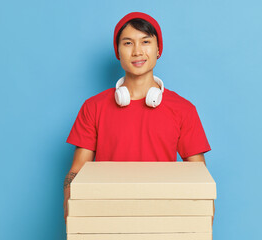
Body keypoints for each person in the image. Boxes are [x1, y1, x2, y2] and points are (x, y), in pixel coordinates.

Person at [63, 12, 211, 223]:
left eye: (146, 42)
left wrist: (200, 227)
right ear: (118, 51)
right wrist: (73, 216)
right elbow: (76, 172)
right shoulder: (93, 107)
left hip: (163, 218)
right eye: (128, 43)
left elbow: (199, 178)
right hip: (105, 216)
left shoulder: (183, 110)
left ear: (158, 49)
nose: (137, 51)